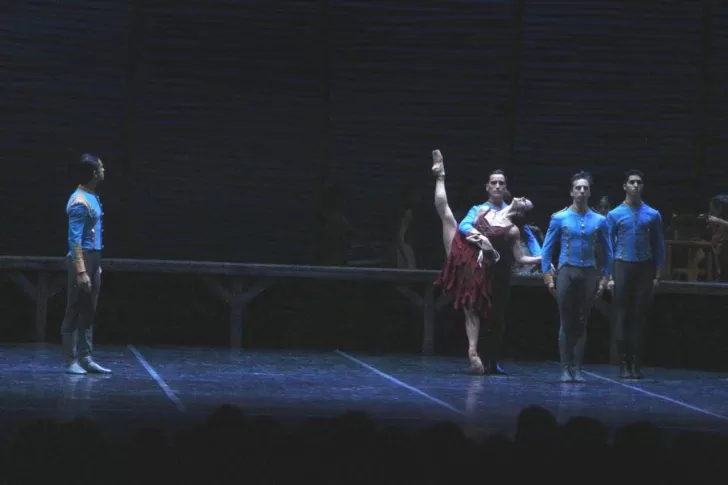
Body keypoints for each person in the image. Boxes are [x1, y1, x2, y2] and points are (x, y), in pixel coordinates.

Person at [431, 150, 541, 374]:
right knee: (446, 215)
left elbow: (526, 246)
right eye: (494, 183)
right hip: (469, 254)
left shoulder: (513, 226)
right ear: (488, 187)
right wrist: (479, 238)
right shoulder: (480, 208)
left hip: (493, 268)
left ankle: (487, 357)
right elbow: (464, 225)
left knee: (491, 314)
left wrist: (543, 257)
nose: (498, 187)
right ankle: (440, 176)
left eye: (501, 183)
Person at [541, 171, 612, 383]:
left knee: (582, 322)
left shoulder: (600, 220)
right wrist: (548, 276)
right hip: (567, 272)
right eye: (578, 188)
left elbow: (608, 251)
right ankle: (565, 367)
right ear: (571, 192)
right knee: (566, 321)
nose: (581, 191)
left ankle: (578, 367)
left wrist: (605, 277)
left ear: (589, 192)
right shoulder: (559, 218)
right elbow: (547, 249)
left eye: (585, 188)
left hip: (588, 273)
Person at [606, 170, 665, 379]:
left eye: (639, 182)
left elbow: (659, 246)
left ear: (643, 186)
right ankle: (623, 363)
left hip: (644, 267)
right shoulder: (614, 214)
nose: (635, 185)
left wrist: (658, 275)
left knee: (639, 316)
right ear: (625, 186)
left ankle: (635, 362)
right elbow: (607, 246)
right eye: (632, 182)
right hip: (622, 265)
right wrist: (608, 276)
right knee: (622, 315)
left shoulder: (653, 214)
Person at [60, 154, 111, 375]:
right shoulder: (79, 201)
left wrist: (95, 266)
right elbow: (75, 240)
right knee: (74, 308)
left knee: (89, 309)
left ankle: (86, 357)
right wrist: (81, 271)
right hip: (81, 258)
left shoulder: (91, 196)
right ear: (93, 173)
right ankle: (70, 360)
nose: (103, 170)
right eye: (101, 167)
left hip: (93, 258)